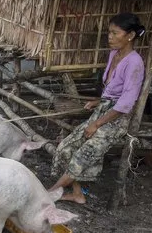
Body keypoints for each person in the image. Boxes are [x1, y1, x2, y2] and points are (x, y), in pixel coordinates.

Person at [47, 12, 146, 204]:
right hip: (104, 111)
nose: (109, 37)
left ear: (130, 36)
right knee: (65, 147)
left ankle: (48, 194)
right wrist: (97, 101)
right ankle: (77, 194)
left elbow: (125, 103)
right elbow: (111, 91)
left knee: (83, 155)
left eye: (115, 33)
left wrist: (97, 124)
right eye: (109, 32)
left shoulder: (135, 63)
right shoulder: (113, 55)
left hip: (118, 119)